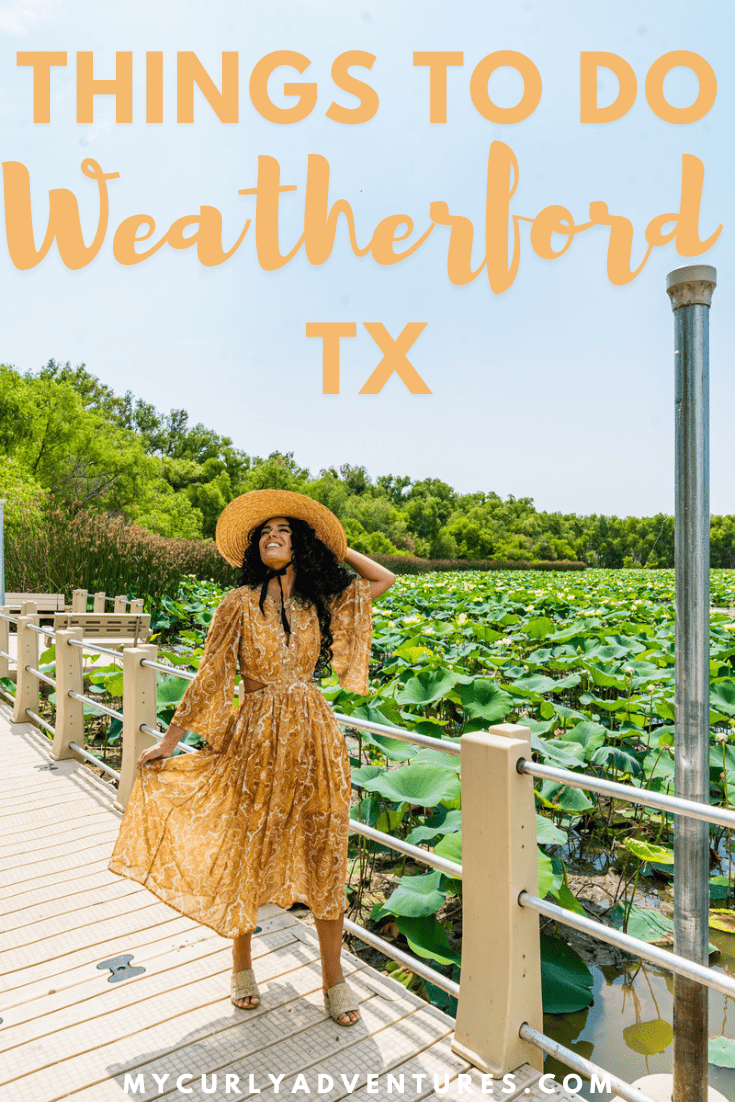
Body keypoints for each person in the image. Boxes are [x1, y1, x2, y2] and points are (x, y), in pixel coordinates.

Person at [108, 489, 396, 1027]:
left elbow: (382, 581)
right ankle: (241, 964)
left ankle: (335, 980)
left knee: (324, 850)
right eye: (264, 532)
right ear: (253, 548)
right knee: (246, 846)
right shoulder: (237, 603)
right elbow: (211, 674)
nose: (272, 536)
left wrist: (339, 548)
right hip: (255, 738)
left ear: (301, 544)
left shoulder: (320, 602)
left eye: (284, 531)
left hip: (314, 736)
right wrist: (170, 742)